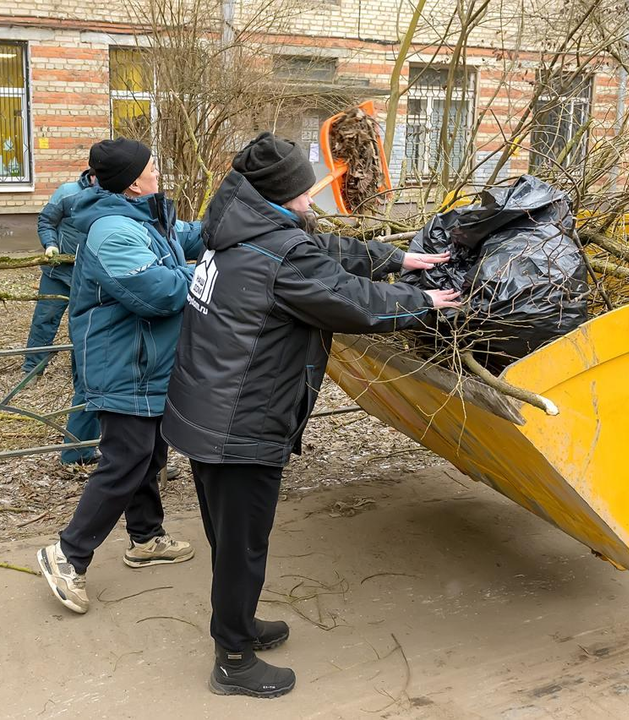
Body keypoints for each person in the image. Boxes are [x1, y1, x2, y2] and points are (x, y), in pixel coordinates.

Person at [161, 132, 461, 699]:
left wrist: (399, 257)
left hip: (207, 409)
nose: (314, 198)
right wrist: (422, 301)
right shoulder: (277, 252)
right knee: (242, 544)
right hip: (239, 423)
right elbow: (349, 299)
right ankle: (233, 659)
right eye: (307, 190)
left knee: (231, 538)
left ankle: (240, 625)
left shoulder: (241, 227)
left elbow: (326, 255)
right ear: (284, 195)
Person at [37, 138, 203, 615]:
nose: (158, 172)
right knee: (126, 458)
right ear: (134, 180)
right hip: (123, 363)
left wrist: (235, 226)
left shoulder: (145, 218)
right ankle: (67, 555)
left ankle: (146, 539)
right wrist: (209, 275)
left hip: (145, 361)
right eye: (153, 166)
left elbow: (188, 236)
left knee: (148, 451)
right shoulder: (113, 229)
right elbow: (157, 293)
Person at [23, 168, 101, 465]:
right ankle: (33, 368)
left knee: (78, 326)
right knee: (45, 320)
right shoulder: (67, 192)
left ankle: (77, 375)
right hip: (58, 271)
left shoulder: (107, 196)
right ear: (91, 175)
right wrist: (51, 245)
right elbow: (46, 221)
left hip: (86, 275)